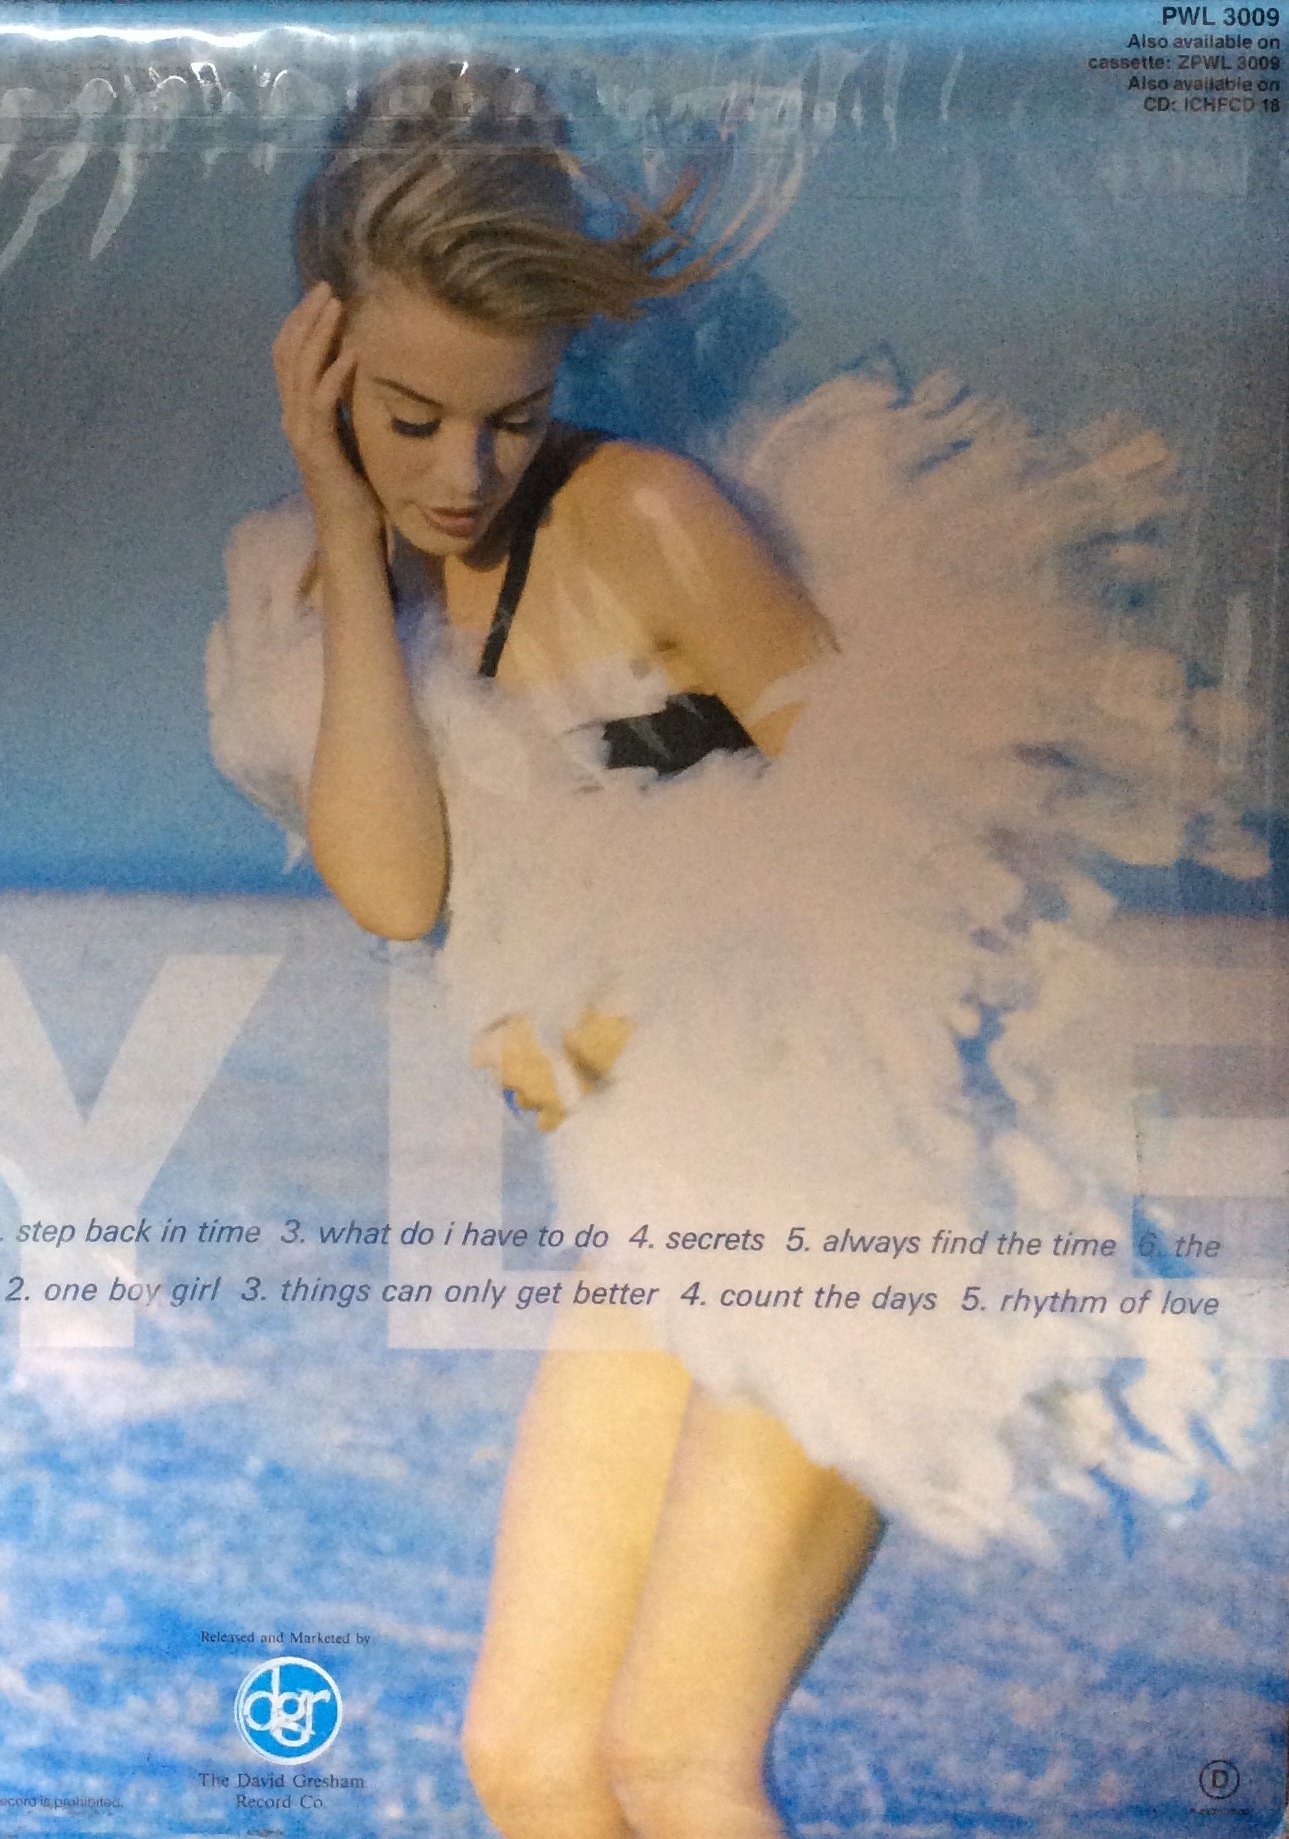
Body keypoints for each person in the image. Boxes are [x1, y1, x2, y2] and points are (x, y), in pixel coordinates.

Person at [206, 59, 1265, 1839]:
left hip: (843, 1181)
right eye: (407, 418)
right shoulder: (334, 587)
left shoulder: (646, 522)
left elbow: (907, 850)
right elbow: (392, 890)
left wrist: (641, 999)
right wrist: (336, 513)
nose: (464, 472)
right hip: (650, 1207)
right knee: (530, 1761)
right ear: (317, 364)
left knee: (678, 1761)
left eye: (511, 416)